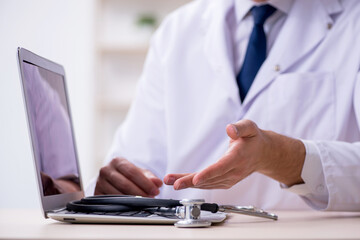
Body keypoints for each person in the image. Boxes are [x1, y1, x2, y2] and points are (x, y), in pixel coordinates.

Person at [93, 0, 360, 211]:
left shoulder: (353, 20)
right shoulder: (177, 29)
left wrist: (281, 157)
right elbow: (137, 161)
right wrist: (121, 182)